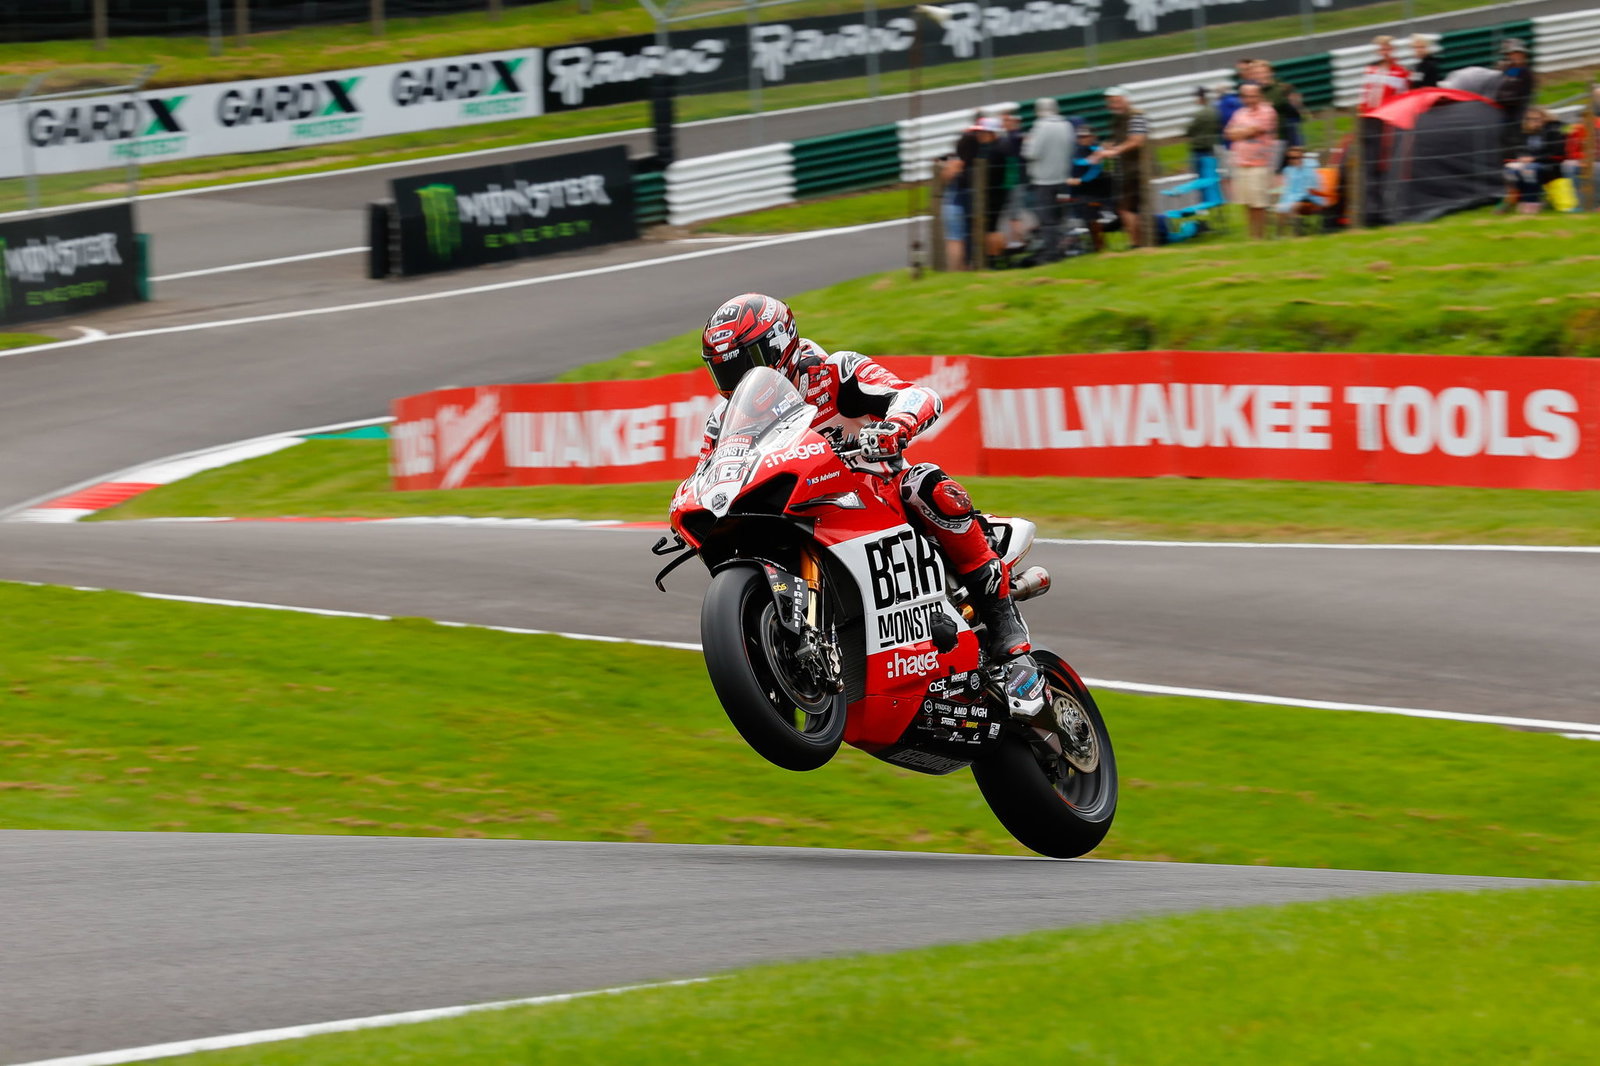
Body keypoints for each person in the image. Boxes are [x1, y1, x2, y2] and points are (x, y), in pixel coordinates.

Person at [694, 293, 1045, 715]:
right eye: (725, 369)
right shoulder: (724, 421)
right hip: (804, 508)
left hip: (875, 492)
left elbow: (916, 395)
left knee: (926, 484)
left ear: (779, 343)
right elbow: (711, 471)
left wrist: (894, 426)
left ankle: (1005, 628)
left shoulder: (833, 371)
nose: (739, 377)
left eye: (746, 360)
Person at [1225, 81, 1279, 240]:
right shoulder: (1239, 113)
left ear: (1259, 95)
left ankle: (1259, 236)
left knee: (1259, 203)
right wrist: (1243, 132)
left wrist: (1240, 132)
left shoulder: (1268, 111)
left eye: (1253, 95)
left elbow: (1256, 129)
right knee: (1246, 201)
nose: (1250, 99)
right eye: (1246, 96)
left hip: (1259, 163)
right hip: (1241, 162)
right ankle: (1252, 235)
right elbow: (1229, 133)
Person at [1022, 97, 1072, 262]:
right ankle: (1063, 248)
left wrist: (1027, 142)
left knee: (1047, 219)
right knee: (1060, 218)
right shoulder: (1067, 125)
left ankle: (1051, 253)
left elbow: (1031, 153)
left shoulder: (1040, 126)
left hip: (1043, 180)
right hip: (1063, 178)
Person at [1102, 87, 1150, 245]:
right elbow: (1122, 141)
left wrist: (1116, 150)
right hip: (1125, 170)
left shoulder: (1136, 116)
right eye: (1111, 102)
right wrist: (1108, 147)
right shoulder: (1118, 120)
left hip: (1136, 170)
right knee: (1128, 208)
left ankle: (1136, 243)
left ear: (1126, 100)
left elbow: (1137, 140)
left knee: (1127, 208)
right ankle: (1138, 242)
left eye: (1116, 101)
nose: (1113, 105)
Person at [1504, 106, 1568, 213]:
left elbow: (1556, 153)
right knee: (1510, 171)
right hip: (1529, 164)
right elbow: (1518, 150)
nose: (1533, 122)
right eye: (1529, 119)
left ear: (1545, 118)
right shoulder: (1524, 134)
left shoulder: (1553, 131)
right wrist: (1520, 159)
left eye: (1536, 119)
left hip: (1550, 165)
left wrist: (1534, 159)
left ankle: (1532, 202)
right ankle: (1519, 200)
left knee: (1529, 170)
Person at [1065, 123, 1112, 252]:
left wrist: (1079, 180)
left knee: (1091, 214)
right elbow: (1076, 163)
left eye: (1086, 136)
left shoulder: (1096, 150)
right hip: (1075, 192)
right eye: (1080, 136)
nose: (1082, 139)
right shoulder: (1075, 151)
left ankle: (1099, 246)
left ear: (1093, 137)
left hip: (1093, 191)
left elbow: (1092, 167)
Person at [1272, 145, 1328, 235]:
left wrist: (1294, 199)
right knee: (1280, 208)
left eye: (1295, 158)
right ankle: (1280, 234)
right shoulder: (1288, 170)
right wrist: (1285, 200)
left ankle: (1297, 234)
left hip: (1311, 198)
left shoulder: (1310, 170)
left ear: (1302, 157)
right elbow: (1288, 188)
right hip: (1294, 198)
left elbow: (1311, 188)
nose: (1292, 160)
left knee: (1294, 206)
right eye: (1289, 158)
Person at [1253, 59, 1304, 148]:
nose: (1261, 76)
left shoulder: (1280, 89)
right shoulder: (1253, 92)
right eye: (1257, 73)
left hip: (1282, 138)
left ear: (1270, 73)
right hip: (1261, 141)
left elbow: (1295, 112)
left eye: (1263, 72)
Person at [1496, 41, 1536, 149]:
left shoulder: (1526, 73)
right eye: (1512, 54)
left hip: (1519, 110)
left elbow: (1526, 94)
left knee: (1517, 136)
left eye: (1518, 54)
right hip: (1503, 110)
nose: (1515, 57)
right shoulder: (1504, 70)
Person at [1359, 36, 1411, 114]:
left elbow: (1404, 96)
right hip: (1371, 113)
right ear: (1377, 51)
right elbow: (1364, 93)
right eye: (1382, 50)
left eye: (1388, 49)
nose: (1385, 53)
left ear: (1393, 50)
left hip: (1391, 114)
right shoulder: (1370, 69)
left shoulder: (1401, 71)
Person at [1185, 86, 1221, 176]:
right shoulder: (1215, 111)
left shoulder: (1199, 114)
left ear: (1200, 98)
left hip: (1199, 149)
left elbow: (1189, 131)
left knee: (1202, 177)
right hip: (1211, 147)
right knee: (1211, 175)